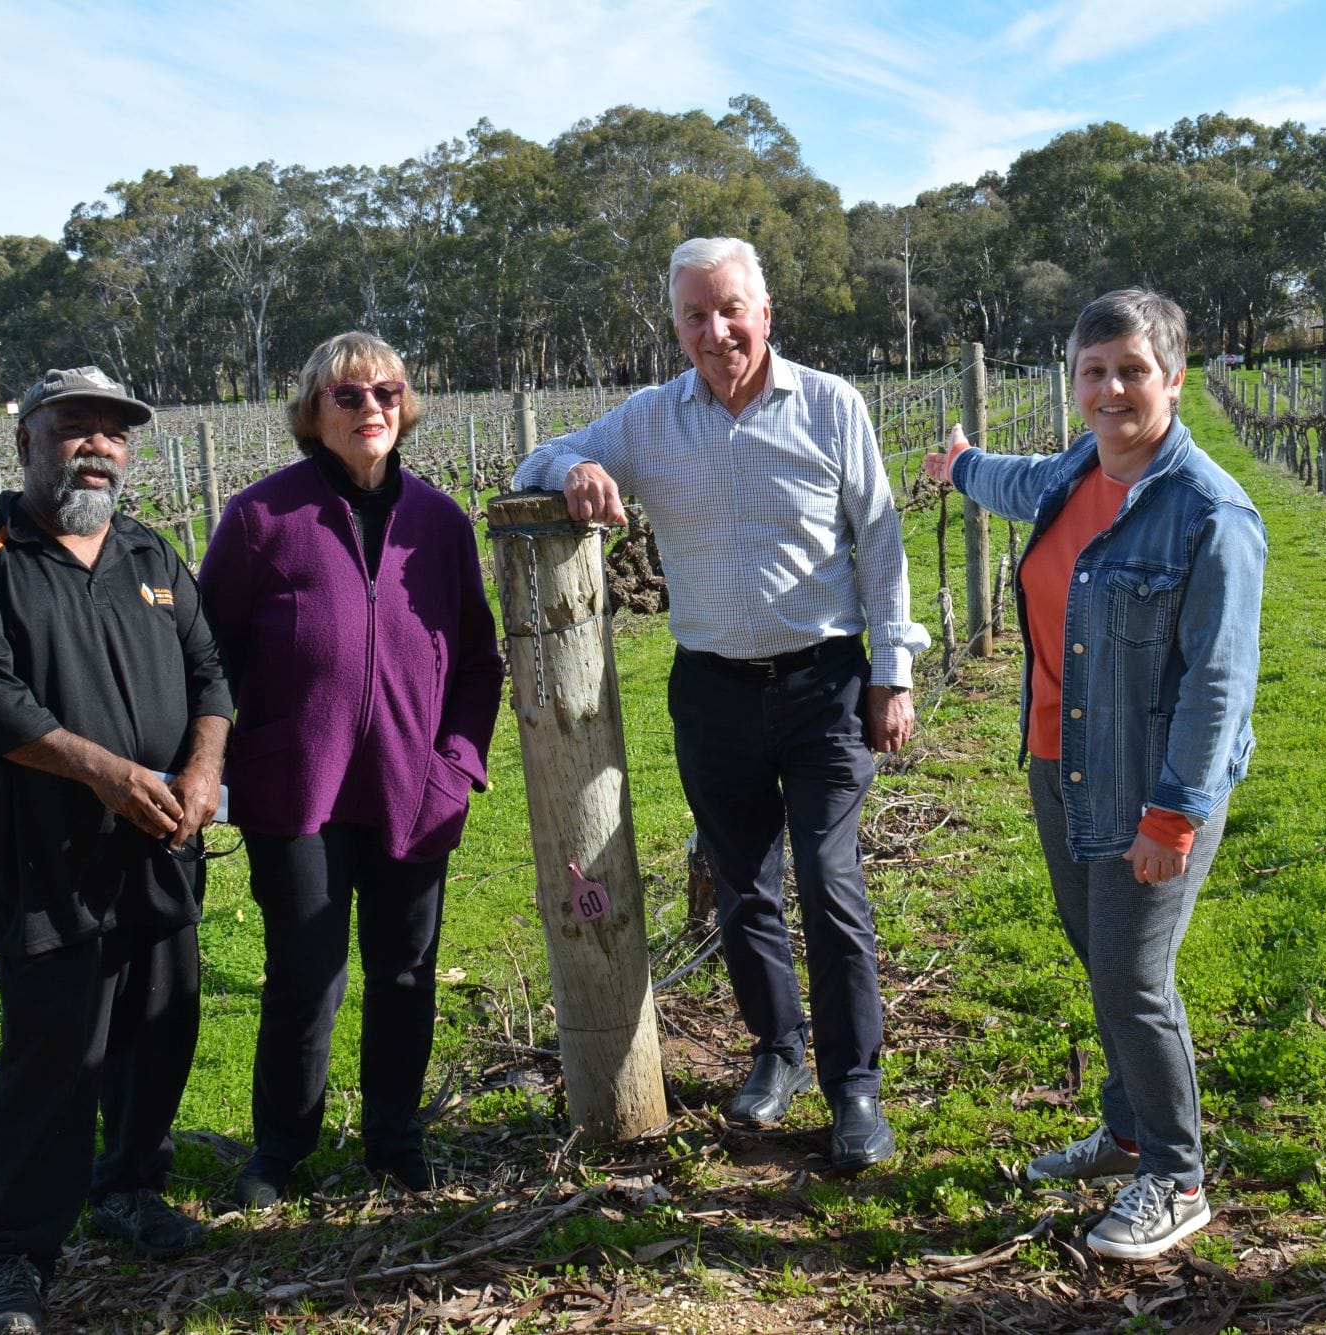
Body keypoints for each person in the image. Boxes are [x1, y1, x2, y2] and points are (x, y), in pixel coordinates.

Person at [512, 236, 929, 1173]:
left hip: (824, 682)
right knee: (740, 884)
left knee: (829, 878)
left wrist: (893, 671)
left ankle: (855, 1085)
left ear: (765, 313)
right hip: (713, 692)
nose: (716, 331)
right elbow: (538, 456)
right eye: (695, 315)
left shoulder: (831, 404)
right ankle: (778, 1048)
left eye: (731, 309)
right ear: (677, 327)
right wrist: (573, 471)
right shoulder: (651, 419)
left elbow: (879, 538)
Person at [925, 289, 1265, 1260]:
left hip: (1147, 785)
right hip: (1058, 766)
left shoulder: (1210, 514)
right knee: (1100, 964)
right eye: (1093, 371)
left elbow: (1217, 685)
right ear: (1072, 380)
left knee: (1132, 977)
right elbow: (1013, 481)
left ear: (1173, 379)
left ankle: (1176, 1176)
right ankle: (1127, 1133)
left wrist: (1174, 815)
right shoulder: (1076, 469)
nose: (1111, 390)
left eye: (1132, 370)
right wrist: (957, 465)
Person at [0, 366, 232, 1335]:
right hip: (46, 856)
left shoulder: (149, 553)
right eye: (73, 427)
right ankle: (14, 1255)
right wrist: (104, 772)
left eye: (112, 431)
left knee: (159, 1025)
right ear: (26, 440)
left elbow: (209, 673)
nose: (96, 445)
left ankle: (129, 1184)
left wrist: (203, 767)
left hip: (161, 844)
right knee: (53, 1049)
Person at [200, 332, 503, 1206]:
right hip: (296, 794)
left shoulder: (441, 524)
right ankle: (279, 1148)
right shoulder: (259, 519)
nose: (371, 407)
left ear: (405, 405)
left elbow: (477, 662)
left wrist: (457, 764)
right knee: (307, 974)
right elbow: (209, 659)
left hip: (415, 790)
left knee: (405, 972)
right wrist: (222, 764)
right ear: (314, 411)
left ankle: (394, 1141)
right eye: (348, 395)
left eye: (387, 392)